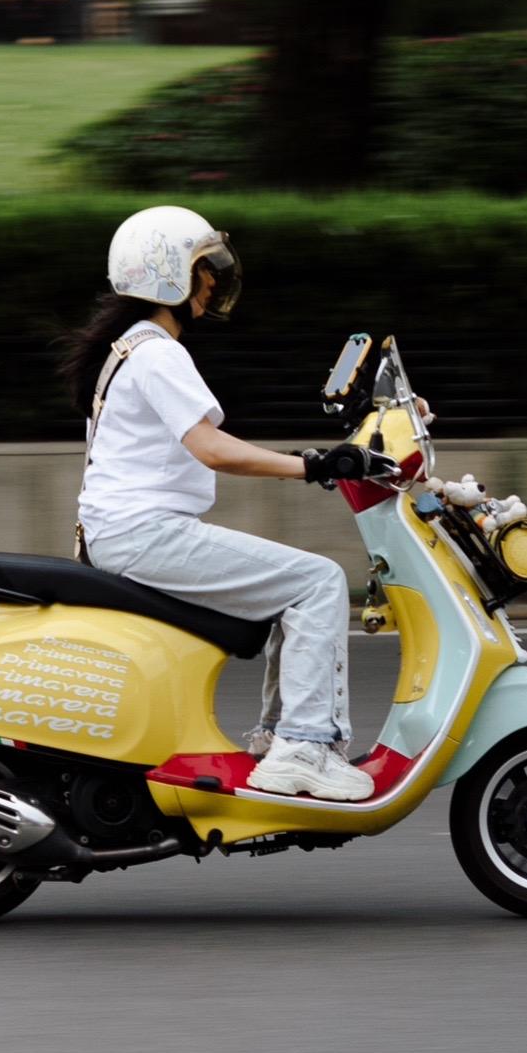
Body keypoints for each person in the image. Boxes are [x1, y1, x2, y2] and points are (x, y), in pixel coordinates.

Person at [62, 205, 394, 803]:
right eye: (202, 268)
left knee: (283, 589)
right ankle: (304, 747)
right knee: (317, 582)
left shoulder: (129, 348)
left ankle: (277, 738)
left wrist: (320, 457)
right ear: (167, 275)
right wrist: (313, 464)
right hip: (142, 533)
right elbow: (211, 448)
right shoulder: (158, 352)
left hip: (123, 532)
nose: (213, 279)